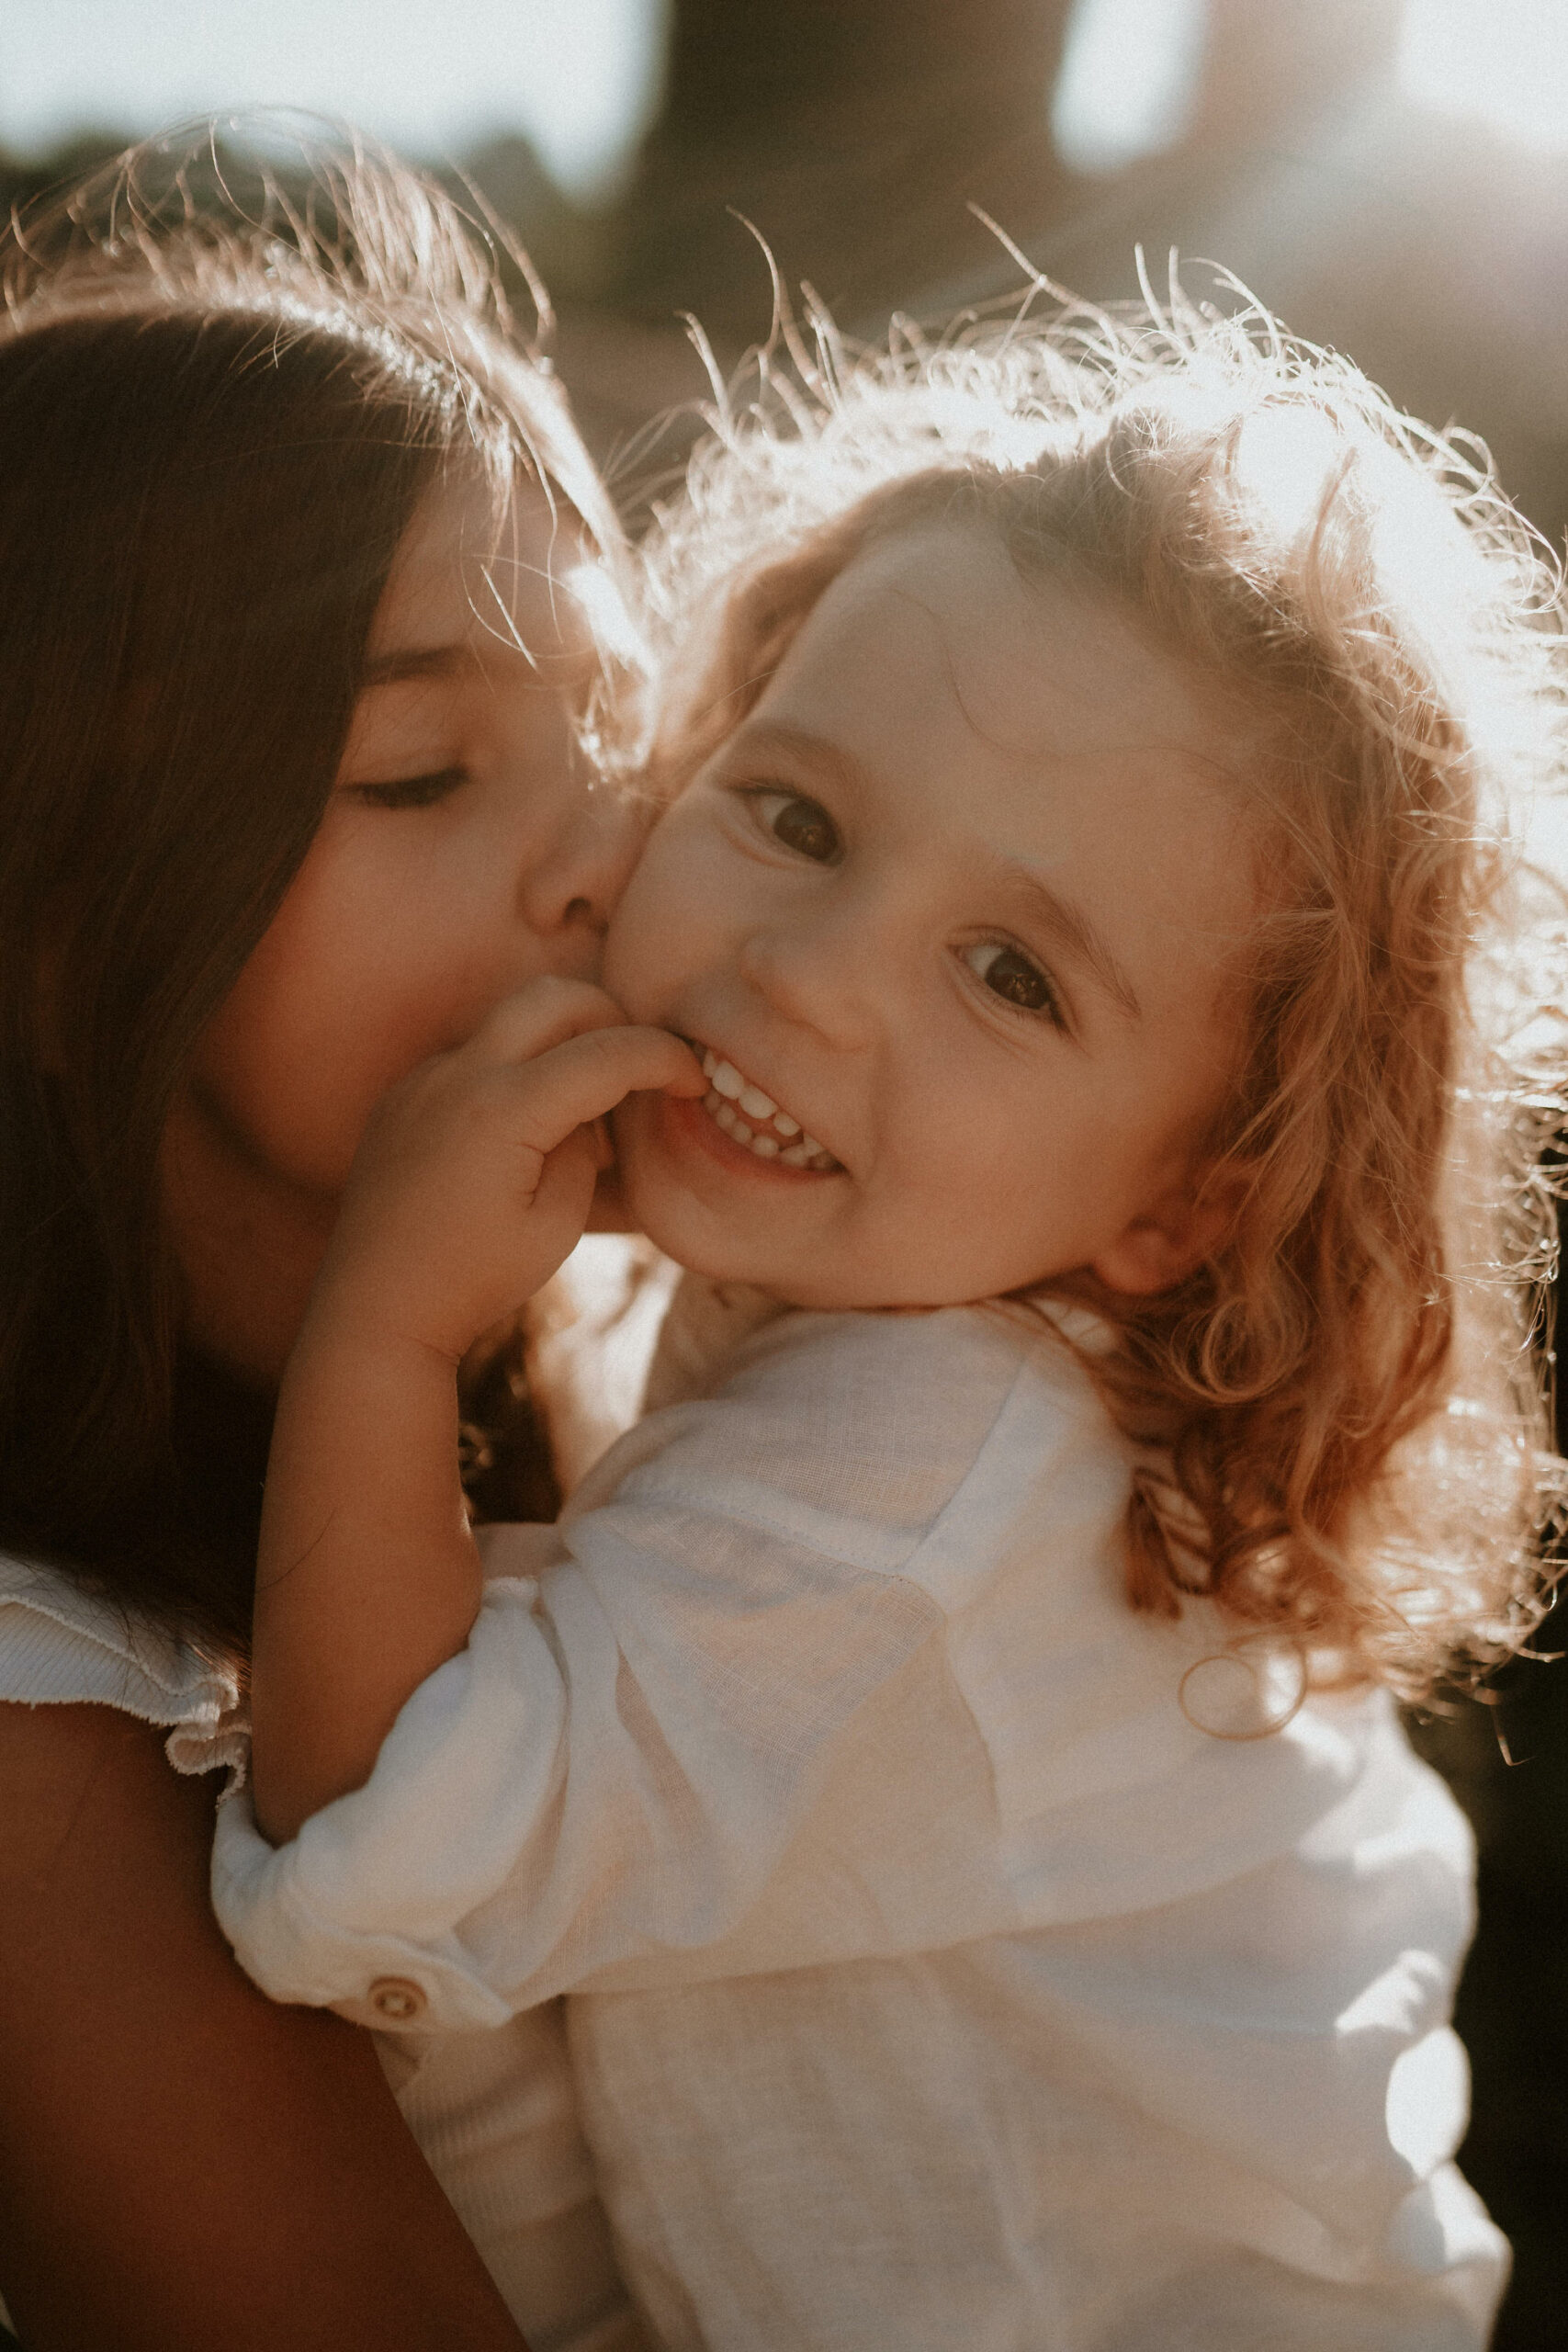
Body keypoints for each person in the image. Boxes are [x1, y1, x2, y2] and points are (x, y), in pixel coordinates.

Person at [214, 294, 1565, 2347]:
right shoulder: (831, 1305)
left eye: (1010, 973)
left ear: (1191, 1194)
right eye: (796, 817)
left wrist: (384, 1334)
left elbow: (395, 1846)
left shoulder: (935, 1487)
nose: (812, 975)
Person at [0, 130, 654, 2350]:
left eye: (625, 745)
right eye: (418, 773)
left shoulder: (673, 1394)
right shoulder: (36, 1737)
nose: (601, 859)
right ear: (56, 918)